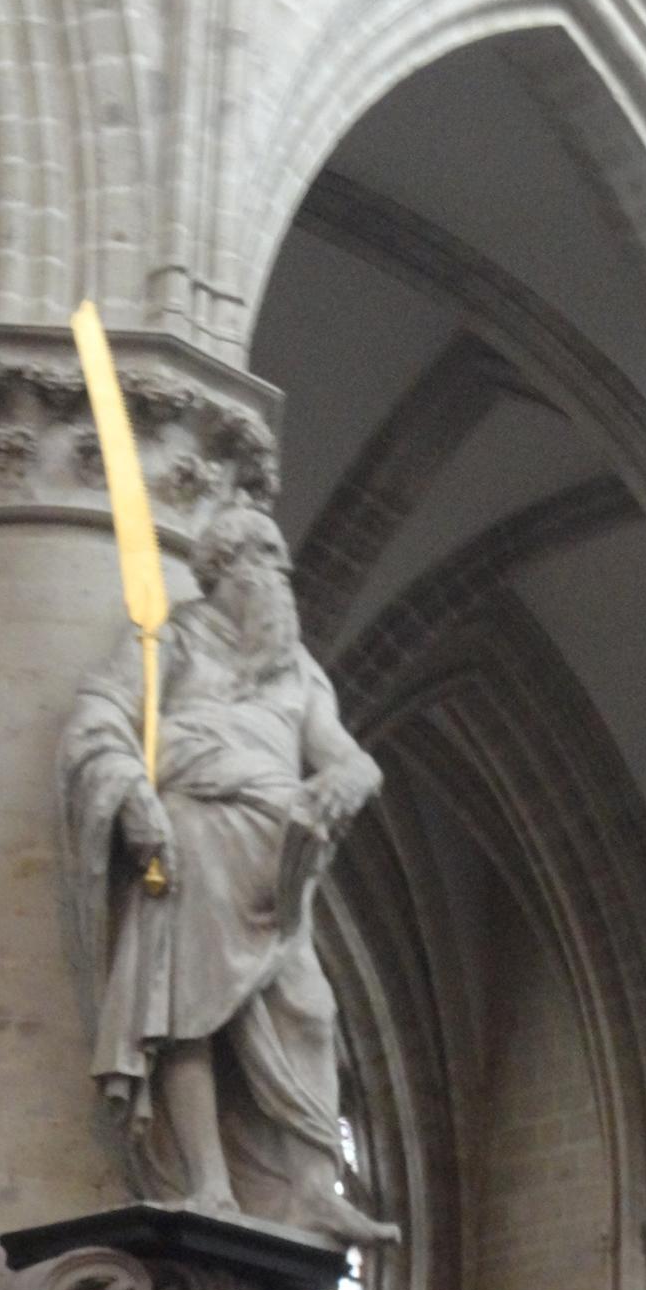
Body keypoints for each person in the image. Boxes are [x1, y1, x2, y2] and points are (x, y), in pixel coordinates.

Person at [58, 501, 398, 1244]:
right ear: (225, 571)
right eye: (266, 559)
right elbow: (100, 718)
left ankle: (313, 1187)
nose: (282, 575)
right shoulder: (172, 641)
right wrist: (132, 797)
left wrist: (353, 777)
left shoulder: (298, 672)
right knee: (188, 1012)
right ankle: (208, 1183)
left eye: (279, 559)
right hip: (194, 833)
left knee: (309, 1011)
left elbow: (343, 751)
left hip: (277, 865)